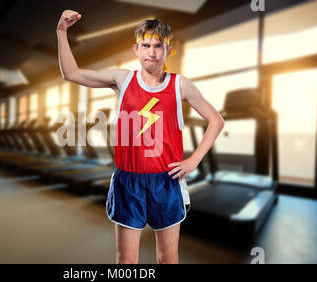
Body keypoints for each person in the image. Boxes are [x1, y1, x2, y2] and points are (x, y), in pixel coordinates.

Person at [57, 10, 225, 264]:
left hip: (166, 182)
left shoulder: (181, 85)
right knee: (126, 261)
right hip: (129, 182)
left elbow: (216, 120)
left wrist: (193, 161)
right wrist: (61, 32)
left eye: (159, 45)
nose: (152, 52)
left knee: (167, 258)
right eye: (146, 45)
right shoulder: (122, 79)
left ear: (168, 51)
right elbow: (72, 73)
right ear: (136, 49)